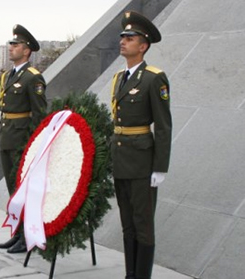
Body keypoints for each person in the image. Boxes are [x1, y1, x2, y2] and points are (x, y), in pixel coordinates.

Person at [110, 11, 172, 279]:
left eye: (130, 37)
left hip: (143, 162)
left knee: (143, 224)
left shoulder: (153, 78)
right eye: (123, 36)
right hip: (122, 160)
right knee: (127, 225)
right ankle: (130, 274)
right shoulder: (118, 78)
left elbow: (164, 125)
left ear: (143, 45)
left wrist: (160, 167)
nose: (123, 41)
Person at [0, 24, 48, 254]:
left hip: (21, 143)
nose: (11, 47)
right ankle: (17, 233)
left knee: (23, 190)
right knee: (13, 190)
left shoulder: (32, 78)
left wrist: (34, 145)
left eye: (16, 45)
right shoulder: (9, 76)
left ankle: (28, 237)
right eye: (11, 44)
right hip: (7, 138)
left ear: (26, 51)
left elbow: (39, 115)